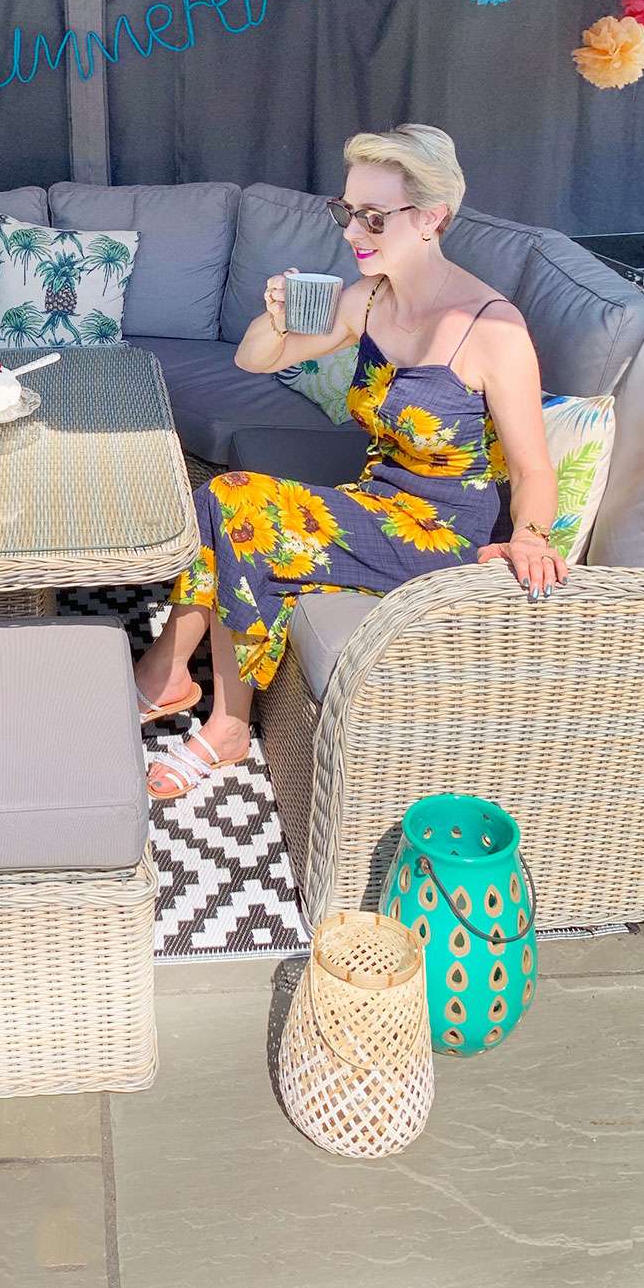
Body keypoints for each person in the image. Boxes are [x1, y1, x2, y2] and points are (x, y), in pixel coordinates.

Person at [136, 123, 569, 802]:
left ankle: (197, 700)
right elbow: (255, 358)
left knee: (233, 499)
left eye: (373, 215)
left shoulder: (493, 328)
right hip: (374, 504)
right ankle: (189, 695)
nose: (351, 231)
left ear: (430, 218)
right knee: (228, 504)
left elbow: (534, 468)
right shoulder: (369, 299)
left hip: (440, 539)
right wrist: (278, 318)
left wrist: (530, 538)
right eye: (346, 211)